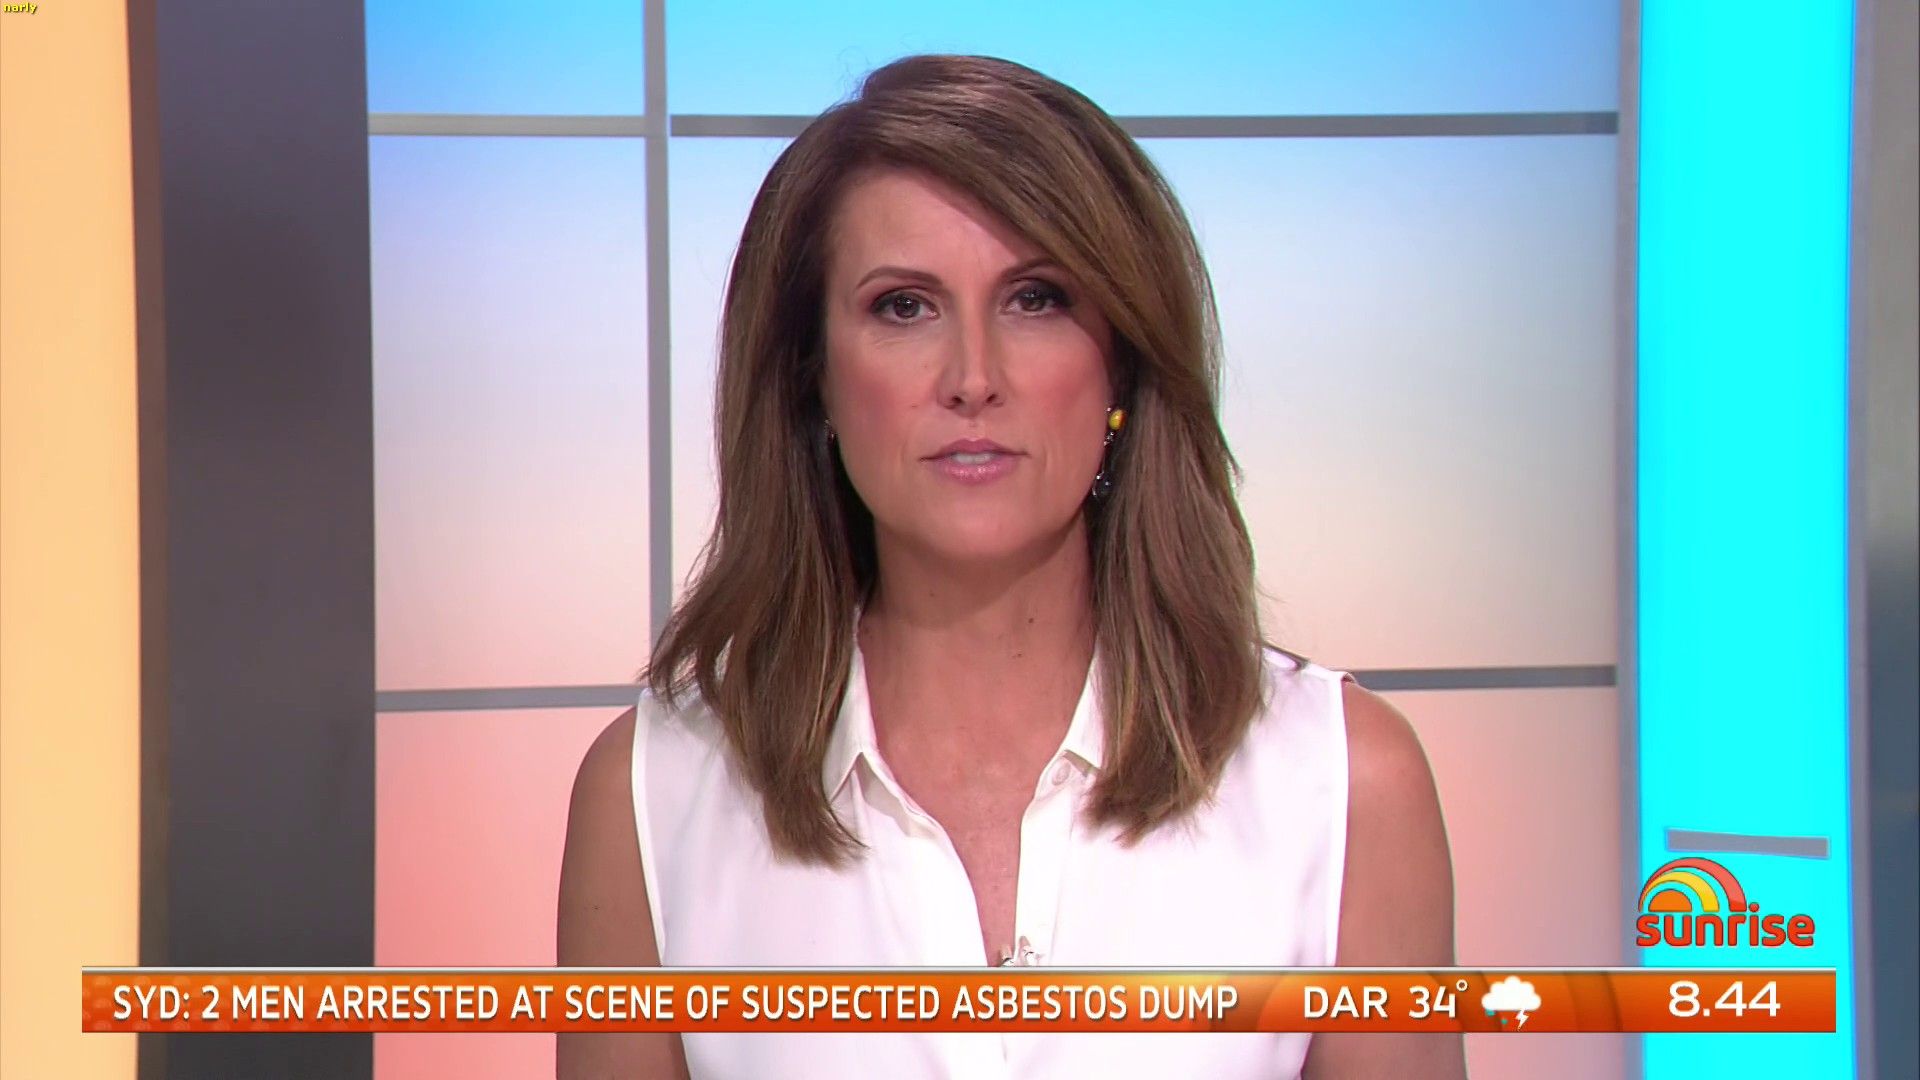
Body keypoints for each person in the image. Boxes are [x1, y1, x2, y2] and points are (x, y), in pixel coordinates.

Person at [558, 53, 1462, 1079]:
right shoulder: (654, 795)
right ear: (813, 378)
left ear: (1122, 364)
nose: (974, 378)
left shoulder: (1341, 784)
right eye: (905, 307)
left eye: (1036, 298)